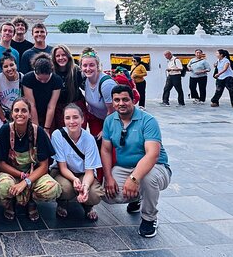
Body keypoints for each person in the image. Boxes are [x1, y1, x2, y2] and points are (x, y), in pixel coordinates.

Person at [102, 85, 171, 238]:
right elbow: (106, 150)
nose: (121, 103)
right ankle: (139, 197)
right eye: (117, 100)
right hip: (125, 167)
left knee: (147, 179)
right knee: (108, 195)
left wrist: (133, 179)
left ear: (133, 100)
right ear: (112, 102)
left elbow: (152, 154)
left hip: (155, 167)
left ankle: (149, 218)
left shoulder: (148, 120)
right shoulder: (109, 120)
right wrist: (109, 177)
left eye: (125, 99)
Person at [0, 98, 60, 221]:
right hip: (11, 173)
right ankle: (10, 202)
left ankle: (31, 201)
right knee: (3, 187)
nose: (20, 114)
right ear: (11, 114)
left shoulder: (38, 132)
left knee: (52, 188)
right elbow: (0, 164)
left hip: (33, 175)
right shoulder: (5, 130)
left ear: (30, 114)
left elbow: (44, 166)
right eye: (16, 110)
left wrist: (26, 181)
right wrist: (20, 175)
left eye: (24, 110)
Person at [50, 103, 105, 220]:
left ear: (82, 119)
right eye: (67, 118)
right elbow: (62, 167)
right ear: (64, 120)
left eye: (75, 117)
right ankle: (62, 202)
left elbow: (89, 172)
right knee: (65, 188)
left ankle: (88, 205)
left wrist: (85, 186)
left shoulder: (89, 139)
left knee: (94, 194)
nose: (72, 121)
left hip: (83, 173)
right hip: (64, 172)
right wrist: (74, 179)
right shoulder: (57, 135)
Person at [21, 53, 62, 133]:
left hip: (49, 113)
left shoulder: (57, 80)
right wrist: (37, 129)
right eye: (40, 79)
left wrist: (46, 129)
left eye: (46, 80)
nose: (43, 82)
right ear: (35, 72)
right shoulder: (27, 78)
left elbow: (51, 106)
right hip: (33, 112)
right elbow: (31, 104)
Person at [80, 47, 115, 140]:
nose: (88, 69)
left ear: (97, 66)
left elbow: (112, 111)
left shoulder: (106, 85)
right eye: (85, 65)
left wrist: (105, 130)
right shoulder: (85, 80)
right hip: (96, 118)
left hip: (112, 121)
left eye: (91, 65)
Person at [52, 45, 85, 130]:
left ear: (68, 56)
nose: (61, 58)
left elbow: (86, 87)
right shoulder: (51, 72)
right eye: (58, 56)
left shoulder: (76, 70)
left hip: (76, 104)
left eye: (63, 55)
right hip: (59, 108)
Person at [0, 51, 22, 128]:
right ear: (2, 69)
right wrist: (4, 121)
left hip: (17, 111)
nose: (9, 69)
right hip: (1, 111)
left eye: (11, 65)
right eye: (5, 66)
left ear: (16, 65)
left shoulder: (22, 78)